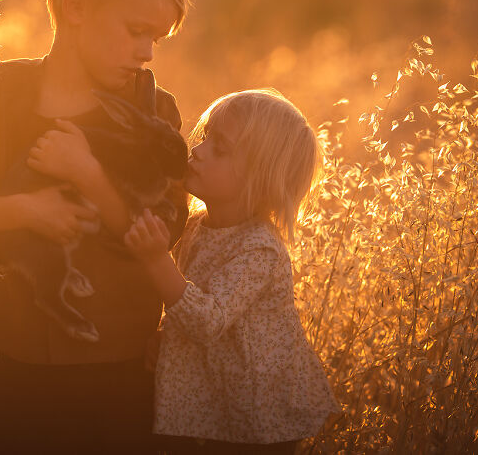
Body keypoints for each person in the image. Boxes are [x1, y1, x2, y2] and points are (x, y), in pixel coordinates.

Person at [0, 0, 189, 454]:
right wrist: (29, 210)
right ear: (75, 7)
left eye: (157, 39)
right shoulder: (2, 93)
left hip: (120, 359)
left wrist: (89, 174)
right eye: (135, 31)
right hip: (17, 354)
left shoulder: (156, 114)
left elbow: (161, 232)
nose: (146, 52)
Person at [124, 89, 341, 454]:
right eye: (206, 136)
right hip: (215, 403)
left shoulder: (260, 248)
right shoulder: (195, 226)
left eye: (220, 149)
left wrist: (155, 259)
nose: (198, 149)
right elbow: (187, 295)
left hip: (258, 419)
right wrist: (165, 335)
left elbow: (208, 319)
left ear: (261, 179)